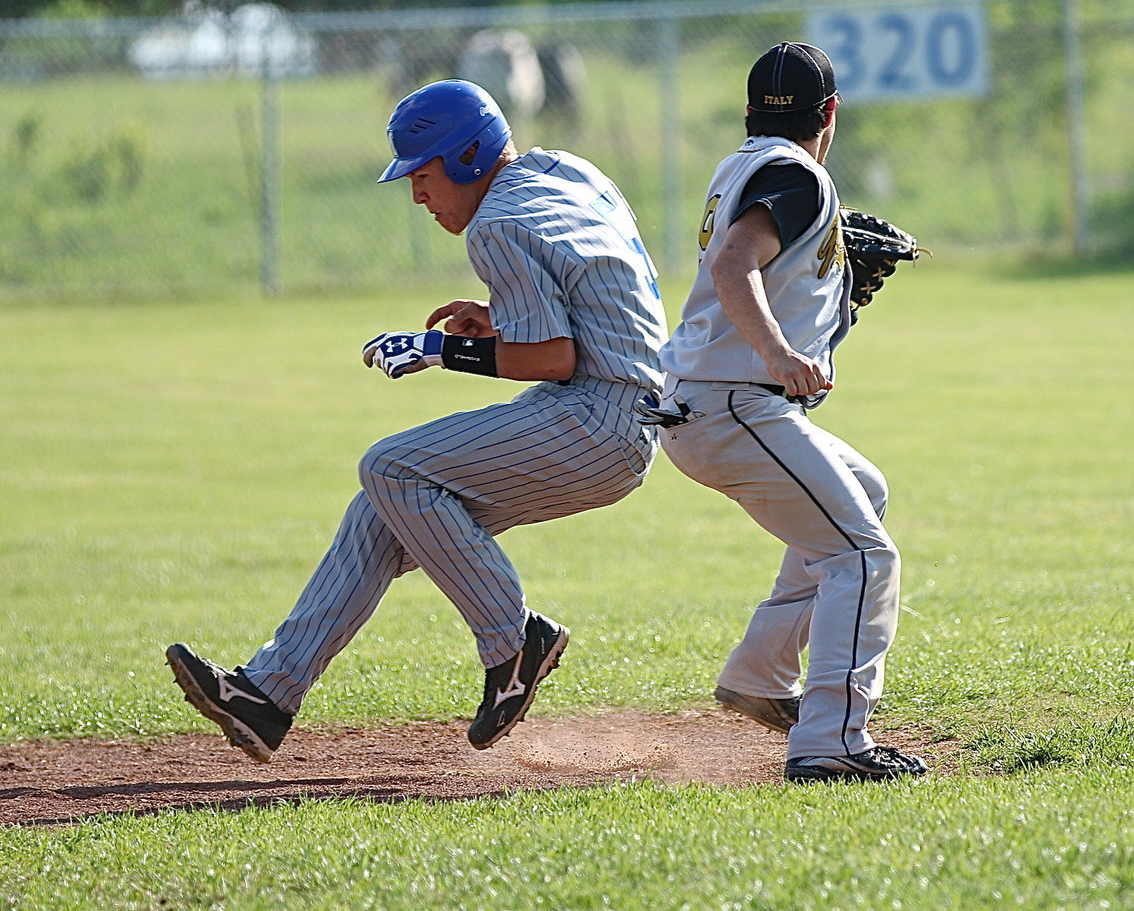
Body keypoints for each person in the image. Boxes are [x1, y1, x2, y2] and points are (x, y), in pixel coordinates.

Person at [167, 79, 668, 761]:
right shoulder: (563, 171)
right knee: (380, 510)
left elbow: (554, 355)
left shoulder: (494, 223)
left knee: (389, 465)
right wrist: (502, 322)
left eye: (424, 174)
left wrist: (441, 349)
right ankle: (268, 695)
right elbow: (596, 286)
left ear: (468, 158)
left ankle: (514, 641)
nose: (417, 194)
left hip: (596, 416)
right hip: (624, 408)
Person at [638, 43, 927, 782]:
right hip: (735, 407)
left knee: (862, 493)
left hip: (708, 404)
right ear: (830, 112)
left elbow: (755, 269)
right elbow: (737, 264)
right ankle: (831, 741)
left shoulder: (743, 165)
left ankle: (762, 672)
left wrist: (826, 305)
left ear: (749, 113)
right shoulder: (798, 177)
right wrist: (776, 353)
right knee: (861, 556)